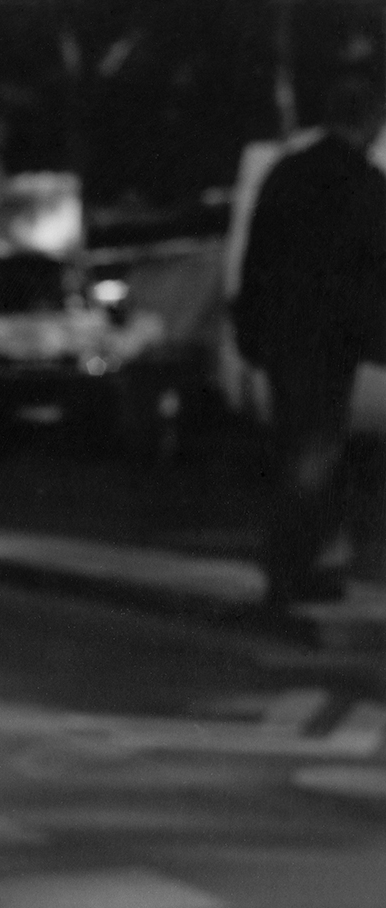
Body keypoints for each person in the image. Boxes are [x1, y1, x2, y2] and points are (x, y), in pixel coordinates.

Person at [234, 73, 386, 607]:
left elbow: (256, 260)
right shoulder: (365, 185)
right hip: (333, 343)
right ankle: (300, 567)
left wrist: (249, 333)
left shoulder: (288, 173)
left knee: (297, 452)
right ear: (368, 122)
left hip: (284, 338)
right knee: (319, 456)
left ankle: (294, 567)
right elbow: (374, 275)